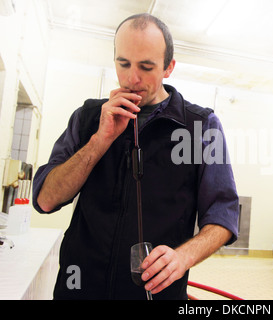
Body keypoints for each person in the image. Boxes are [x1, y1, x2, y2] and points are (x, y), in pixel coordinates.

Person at [32, 13, 239, 300]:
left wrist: (183, 257)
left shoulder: (201, 127)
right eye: (123, 63)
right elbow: (45, 199)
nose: (132, 78)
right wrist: (99, 141)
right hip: (78, 287)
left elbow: (223, 215)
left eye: (146, 66)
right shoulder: (88, 118)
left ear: (169, 67)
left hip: (153, 293)